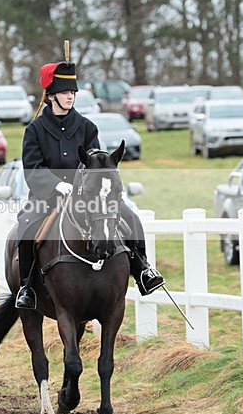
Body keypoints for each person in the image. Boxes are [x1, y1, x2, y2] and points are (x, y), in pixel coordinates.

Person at [15, 58, 164, 309]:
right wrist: (56, 185)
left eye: (72, 92)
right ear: (51, 96)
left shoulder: (86, 126)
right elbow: (32, 168)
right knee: (26, 226)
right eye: (64, 92)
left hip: (88, 194)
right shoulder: (35, 130)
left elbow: (99, 161)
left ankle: (143, 270)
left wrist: (90, 181)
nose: (70, 97)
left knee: (131, 217)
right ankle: (27, 287)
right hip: (47, 196)